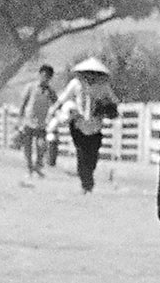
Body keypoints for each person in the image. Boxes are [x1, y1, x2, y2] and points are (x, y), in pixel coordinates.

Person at [47, 57, 118, 194]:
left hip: (96, 125)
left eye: (93, 73)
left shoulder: (103, 86)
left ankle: (88, 179)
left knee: (92, 156)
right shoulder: (76, 84)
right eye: (88, 73)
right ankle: (86, 184)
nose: (90, 76)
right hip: (78, 124)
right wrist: (54, 109)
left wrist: (106, 108)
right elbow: (63, 98)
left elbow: (113, 101)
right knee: (81, 153)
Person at [14, 64, 59, 177]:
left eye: (48, 77)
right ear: (39, 75)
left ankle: (38, 165)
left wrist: (56, 116)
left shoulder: (50, 91)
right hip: (29, 121)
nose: (45, 78)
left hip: (42, 123)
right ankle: (29, 167)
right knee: (27, 146)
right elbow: (23, 103)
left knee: (41, 146)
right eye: (43, 75)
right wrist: (19, 119)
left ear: (50, 78)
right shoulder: (31, 87)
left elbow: (57, 104)